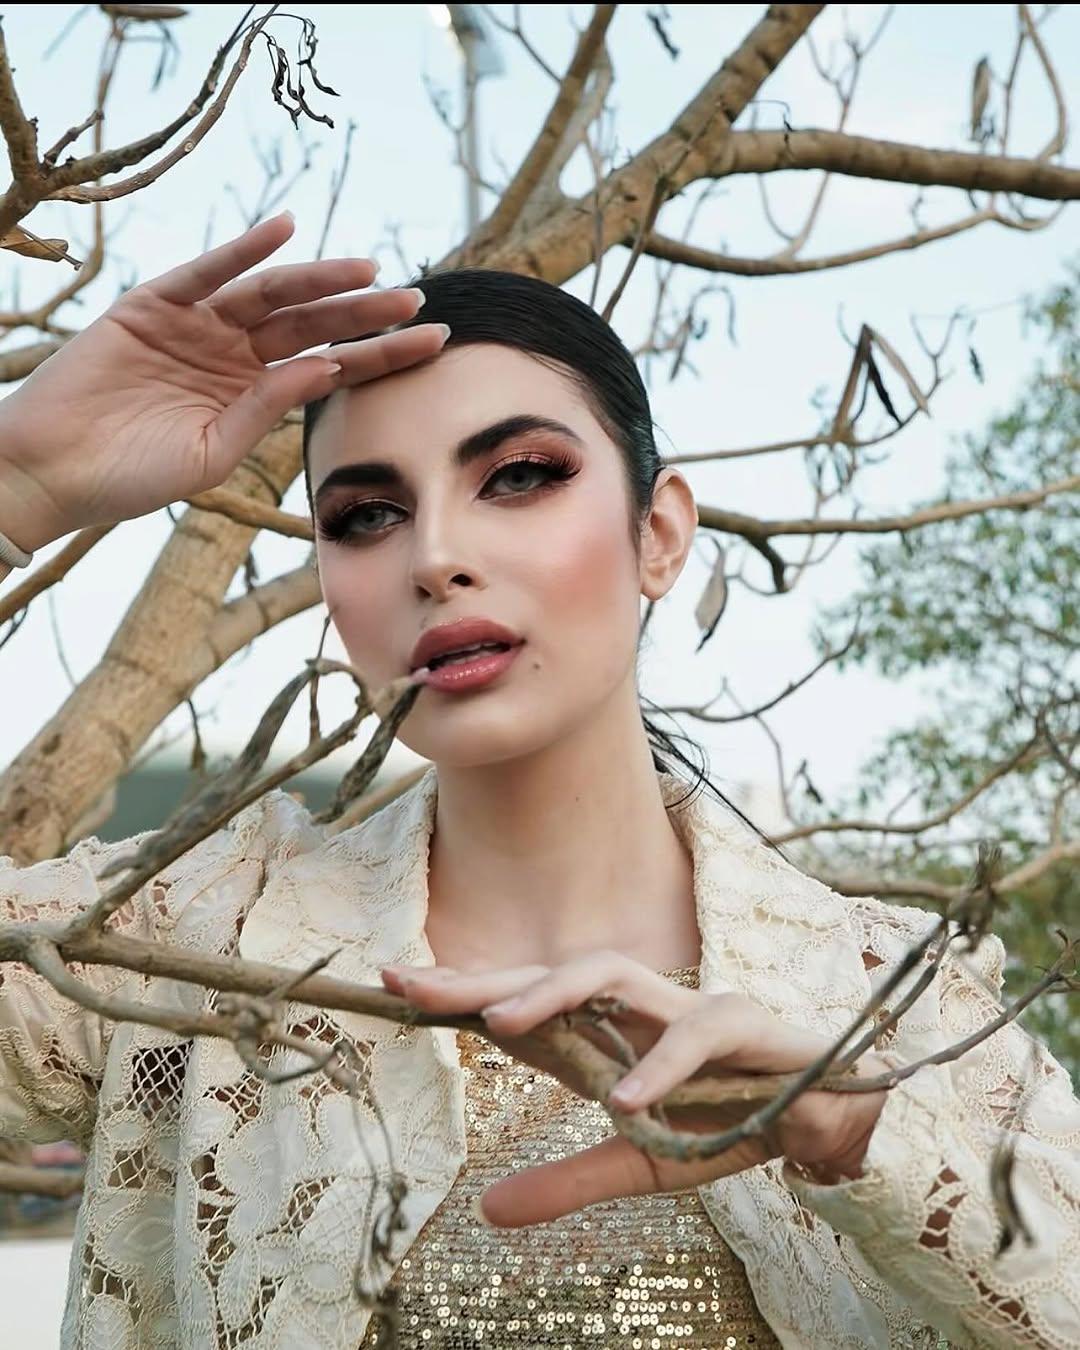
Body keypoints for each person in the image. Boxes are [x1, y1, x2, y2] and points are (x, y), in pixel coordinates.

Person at [0, 213, 1076, 1350]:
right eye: (367, 515)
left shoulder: (903, 1005)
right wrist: (19, 483)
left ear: (659, 534)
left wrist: (863, 1142)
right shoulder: (191, 940)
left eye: (518, 476)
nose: (434, 558)